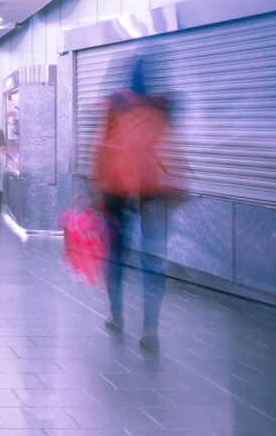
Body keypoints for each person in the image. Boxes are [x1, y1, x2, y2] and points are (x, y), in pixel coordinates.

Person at [92, 58, 171, 351]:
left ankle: (116, 313)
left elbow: (101, 146)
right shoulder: (160, 106)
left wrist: (95, 186)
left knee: (115, 255)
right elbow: (168, 145)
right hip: (151, 190)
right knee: (152, 260)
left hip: (116, 192)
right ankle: (150, 328)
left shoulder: (117, 104)